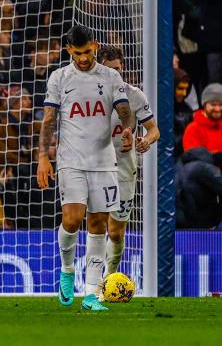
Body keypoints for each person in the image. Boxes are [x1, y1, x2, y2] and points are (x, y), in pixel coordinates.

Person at [36, 26, 134, 311]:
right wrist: (44, 157)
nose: (82, 58)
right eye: (77, 53)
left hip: (104, 163)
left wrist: (127, 130)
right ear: (69, 50)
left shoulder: (110, 76)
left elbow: (125, 110)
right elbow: (49, 119)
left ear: (95, 45)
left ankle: (91, 294)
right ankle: (67, 271)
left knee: (98, 225)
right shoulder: (60, 78)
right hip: (71, 161)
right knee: (72, 218)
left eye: (87, 52)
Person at [97, 46, 159, 281]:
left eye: (118, 70)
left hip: (124, 169)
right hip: (95, 167)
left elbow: (154, 130)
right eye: (110, 70)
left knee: (115, 232)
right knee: (96, 224)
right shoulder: (88, 97)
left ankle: (109, 277)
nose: (116, 74)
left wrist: (145, 140)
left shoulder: (134, 95)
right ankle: (92, 283)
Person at [183, 83, 222, 153]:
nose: (217, 109)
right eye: (213, 104)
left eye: (221, 105)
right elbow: (192, 156)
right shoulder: (193, 129)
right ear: (204, 105)